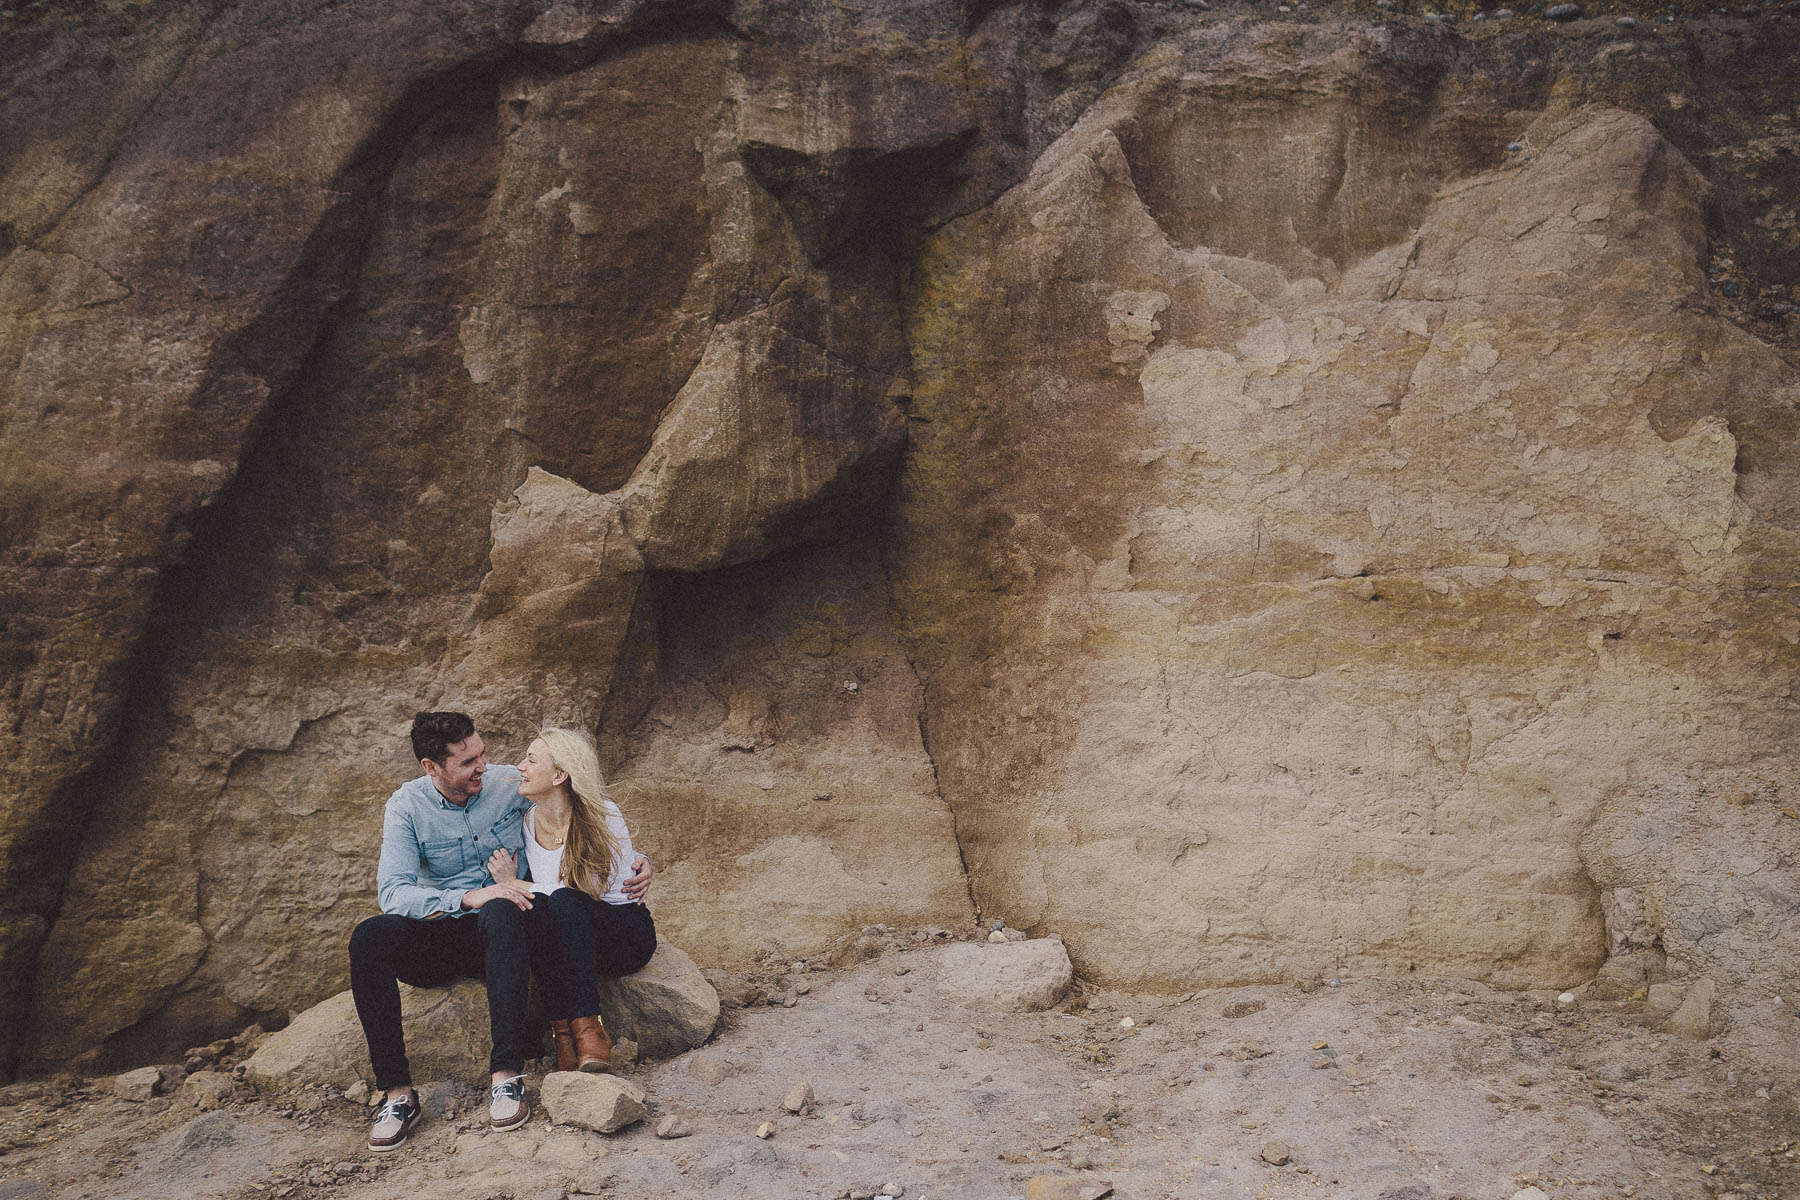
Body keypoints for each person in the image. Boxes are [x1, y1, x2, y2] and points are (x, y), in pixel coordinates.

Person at [348, 712, 650, 1152]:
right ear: (432, 768)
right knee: (368, 937)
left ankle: (506, 1076)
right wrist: (467, 897)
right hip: (448, 929)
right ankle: (397, 1093)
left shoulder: (510, 783)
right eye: (468, 761)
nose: (483, 767)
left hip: (513, 928)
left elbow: (572, 811)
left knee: (503, 909)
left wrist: (637, 858)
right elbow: (393, 892)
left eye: (482, 753)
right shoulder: (406, 806)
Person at [487, 727, 658, 1075]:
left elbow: (585, 891)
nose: (520, 766)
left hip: (621, 934)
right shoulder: (526, 824)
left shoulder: (602, 815)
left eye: (531, 760)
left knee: (562, 901)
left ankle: (589, 1030)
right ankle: (564, 1036)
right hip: (574, 941)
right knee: (536, 914)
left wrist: (513, 882)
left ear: (560, 774)